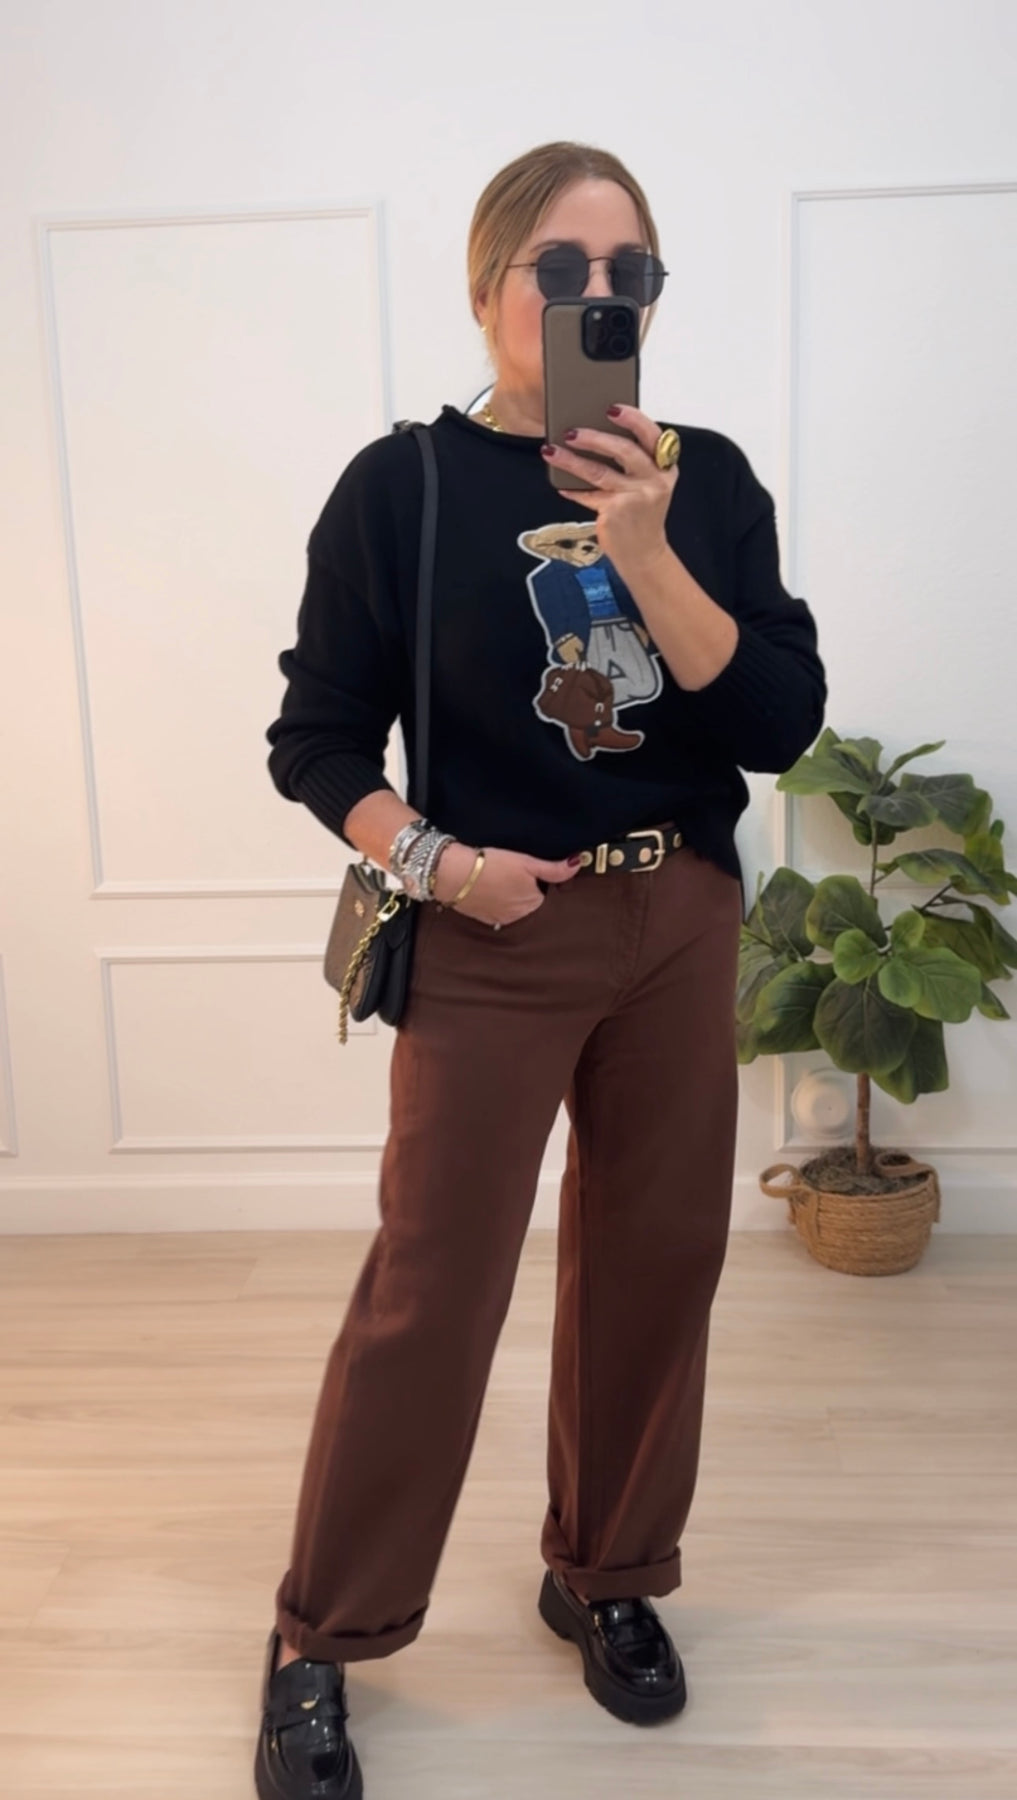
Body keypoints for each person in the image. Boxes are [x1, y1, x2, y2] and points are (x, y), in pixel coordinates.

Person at [255, 139, 826, 1800]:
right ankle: (321, 1634)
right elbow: (314, 741)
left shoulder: (704, 483)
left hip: (675, 923)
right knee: (432, 1290)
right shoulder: (403, 488)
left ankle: (607, 1573)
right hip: (489, 933)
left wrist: (643, 542)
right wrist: (441, 865)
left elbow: (776, 722)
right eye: (559, 271)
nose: (595, 299)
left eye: (626, 275)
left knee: (655, 1267)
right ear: (485, 285)